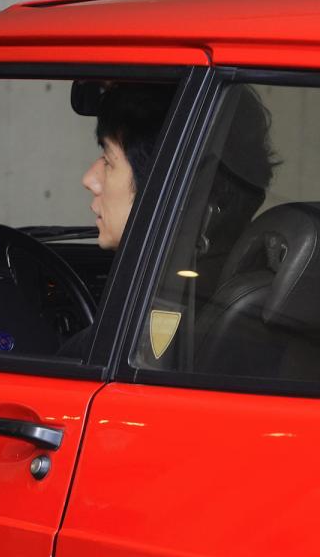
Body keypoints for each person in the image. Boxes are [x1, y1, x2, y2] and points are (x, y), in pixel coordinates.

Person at [65, 81, 276, 358]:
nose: (89, 180)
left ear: (166, 187)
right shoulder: (224, 293)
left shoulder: (161, 313)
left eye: (108, 160)